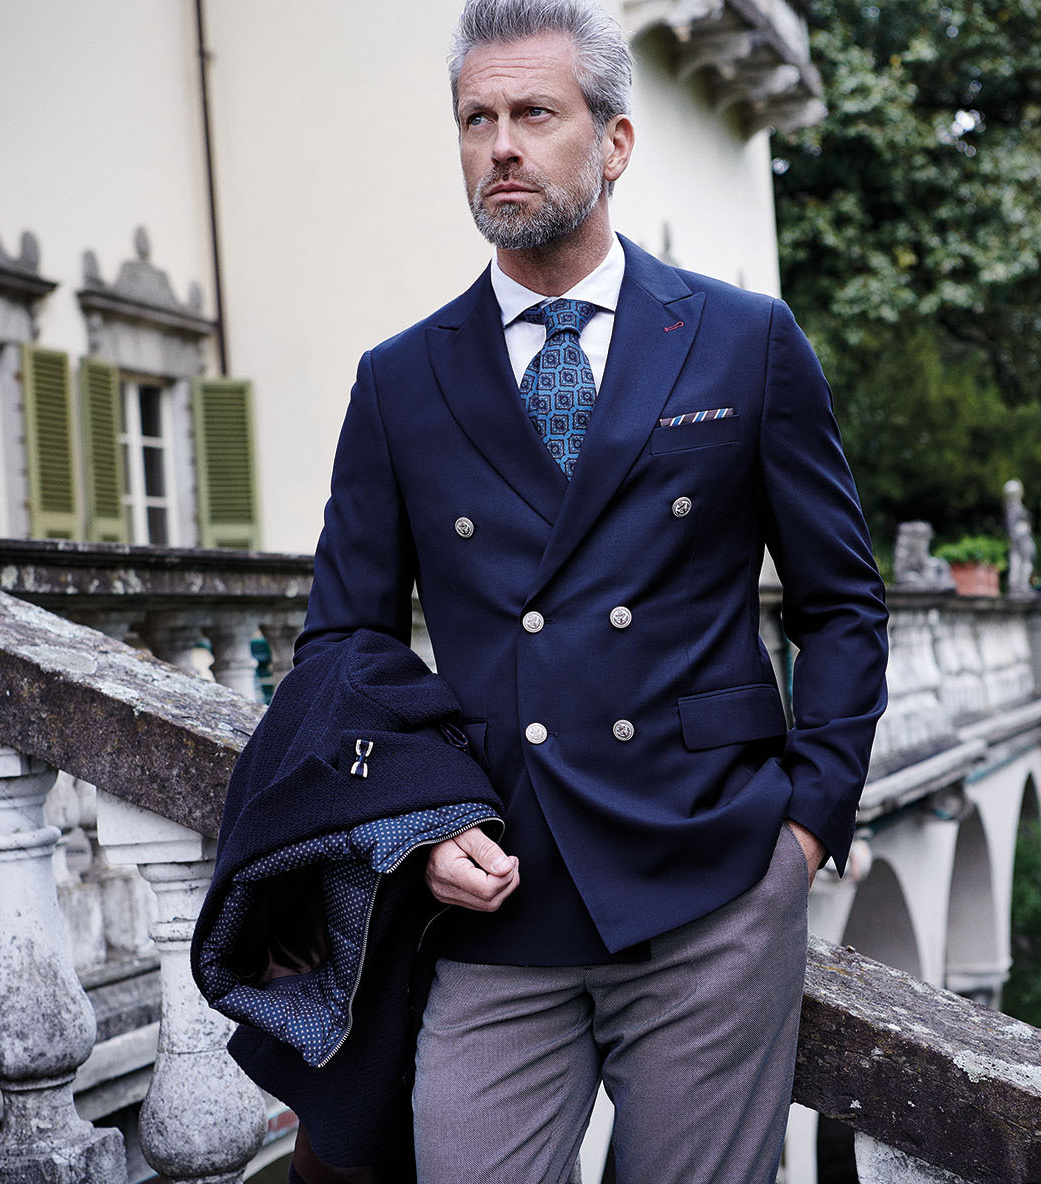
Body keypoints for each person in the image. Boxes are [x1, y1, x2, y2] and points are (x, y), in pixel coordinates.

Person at [290, 1, 889, 1179]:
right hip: (495, 898)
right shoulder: (400, 379)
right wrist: (414, 825)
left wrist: (806, 830)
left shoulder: (746, 340)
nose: (501, 146)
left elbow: (841, 603)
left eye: (534, 113)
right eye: (476, 119)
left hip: (713, 878)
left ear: (613, 142)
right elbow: (344, 645)